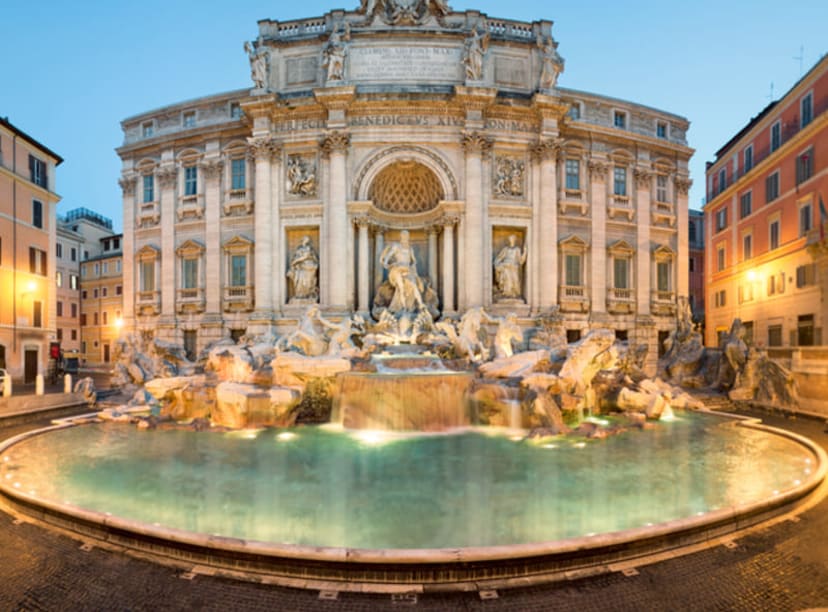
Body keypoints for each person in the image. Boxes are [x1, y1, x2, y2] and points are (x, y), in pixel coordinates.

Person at [380, 230, 425, 313]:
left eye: (407, 235)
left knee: (414, 286)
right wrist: (385, 262)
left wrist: (414, 269)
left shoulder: (410, 248)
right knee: (401, 288)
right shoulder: (396, 246)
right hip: (397, 269)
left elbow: (414, 260)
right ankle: (403, 307)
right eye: (404, 235)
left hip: (407, 269)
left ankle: (421, 304)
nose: (405, 237)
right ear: (401, 236)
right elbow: (389, 255)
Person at [493, 234, 527, 299]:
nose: (512, 240)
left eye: (513, 239)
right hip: (506, 267)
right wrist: (500, 264)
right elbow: (498, 258)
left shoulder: (517, 249)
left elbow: (520, 261)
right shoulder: (505, 249)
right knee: (507, 281)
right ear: (509, 240)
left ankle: (514, 294)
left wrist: (525, 252)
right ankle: (507, 294)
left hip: (514, 267)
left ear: (515, 240)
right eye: (511, 239)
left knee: (515, 280)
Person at [287, 236, 319, 301]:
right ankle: (299, 295)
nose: (306, 241)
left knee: (308, 281)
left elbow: (315, 259)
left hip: (309, 267)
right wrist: (296, 262)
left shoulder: (310, 249)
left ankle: (308, 295)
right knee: (299, 281)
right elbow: (295, 258)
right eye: (305, 239)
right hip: (300, 268)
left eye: (307, 240)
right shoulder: (299, 249)